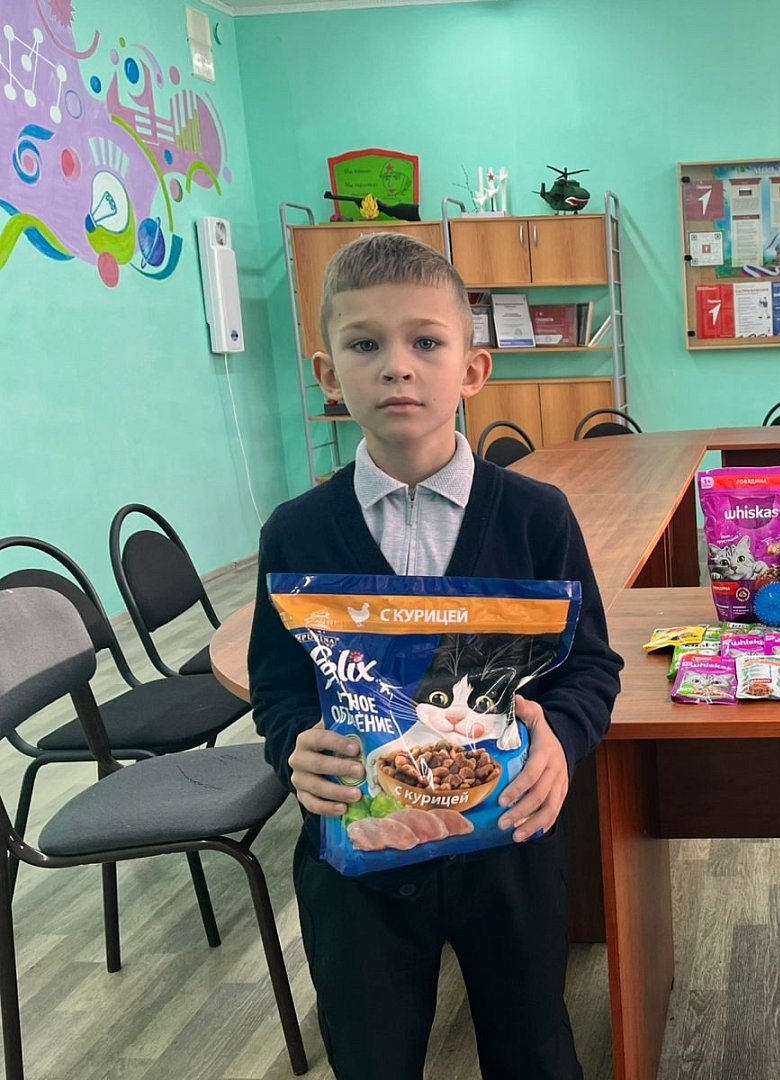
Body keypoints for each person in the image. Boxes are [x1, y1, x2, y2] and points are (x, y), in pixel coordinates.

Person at [248, 231, 623, 1080]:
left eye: (425, 341)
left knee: (533, 1051)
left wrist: (561, 740)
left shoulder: (536, 518)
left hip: (510, 850)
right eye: (364, 345)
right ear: (327, 374)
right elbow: (278, 686)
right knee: (372, 1056)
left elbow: (590, 667)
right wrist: (292, 744)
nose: (397, 367)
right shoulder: (296, 532)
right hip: (359, 858)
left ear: (473, 369)